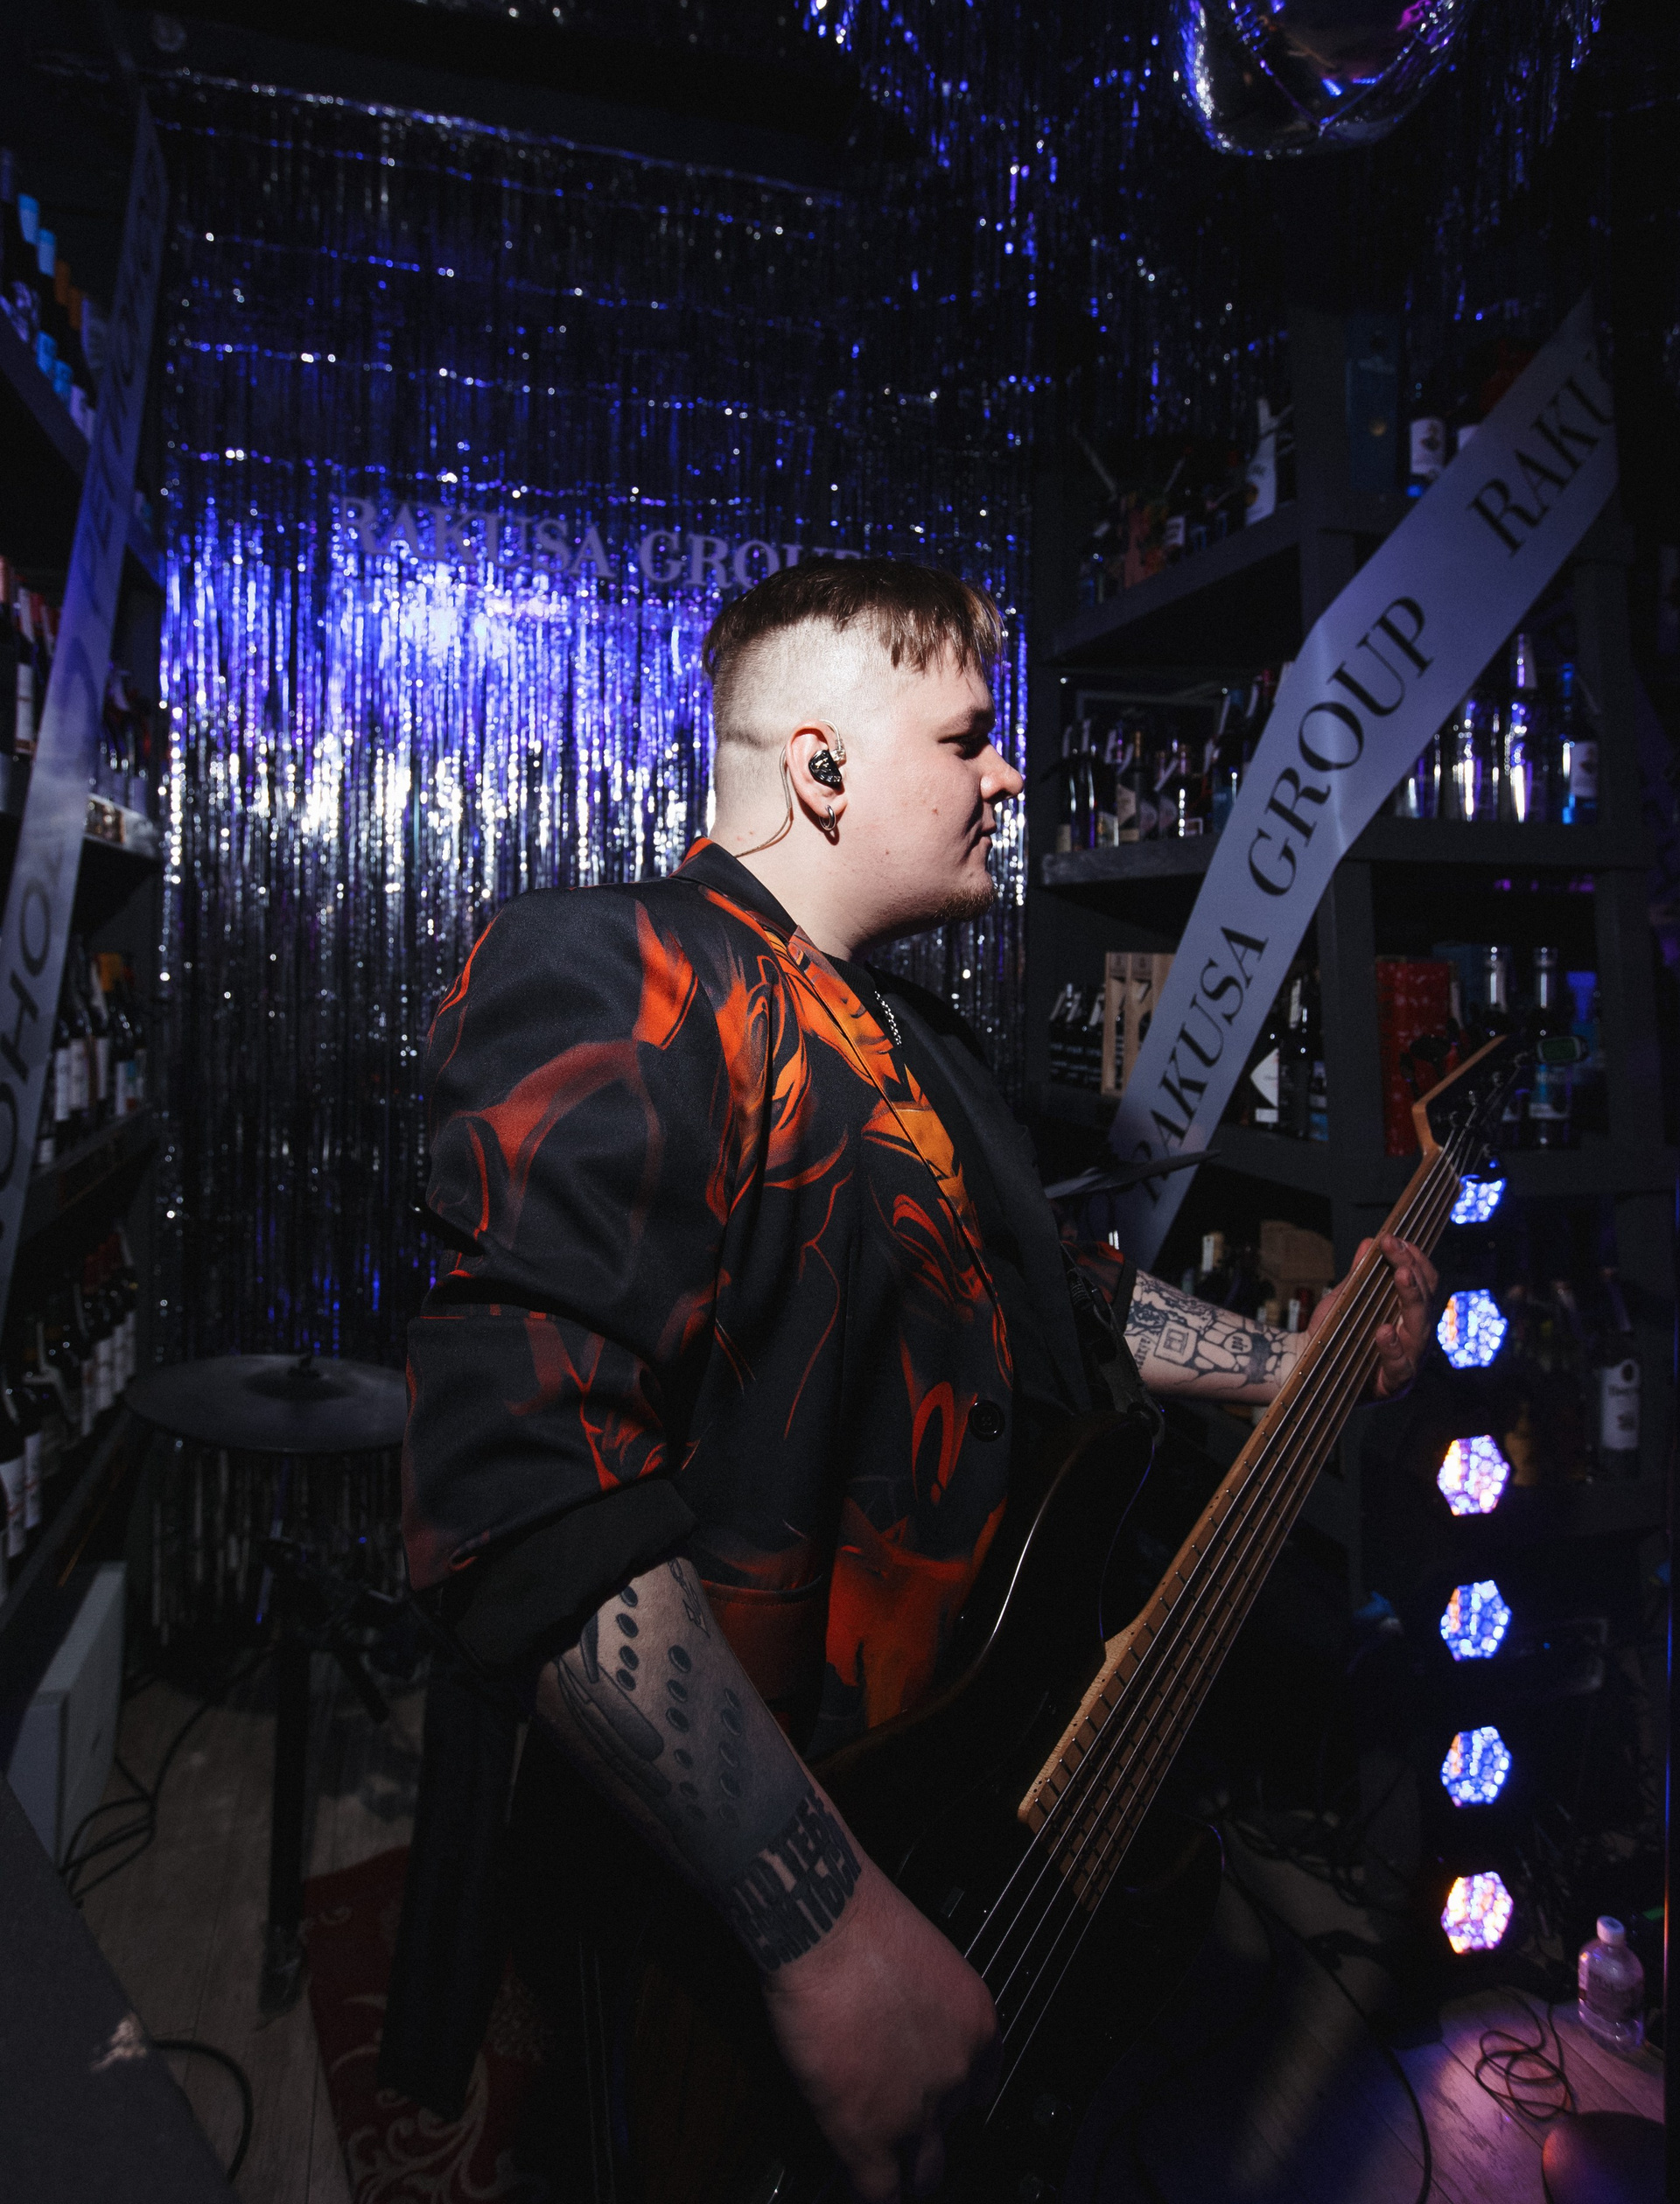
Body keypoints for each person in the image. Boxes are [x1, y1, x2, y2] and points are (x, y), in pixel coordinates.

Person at [395, 558, 1436, 2203]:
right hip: (717, 1910)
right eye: (966, 738)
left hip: (943, 1814)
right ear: (821, 768)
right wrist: (819, 1920)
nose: (1008, 774)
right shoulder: (623, 970)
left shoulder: (917, 1043)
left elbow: (1065, 1301)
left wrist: (1297, 1362)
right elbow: (524, 1501)